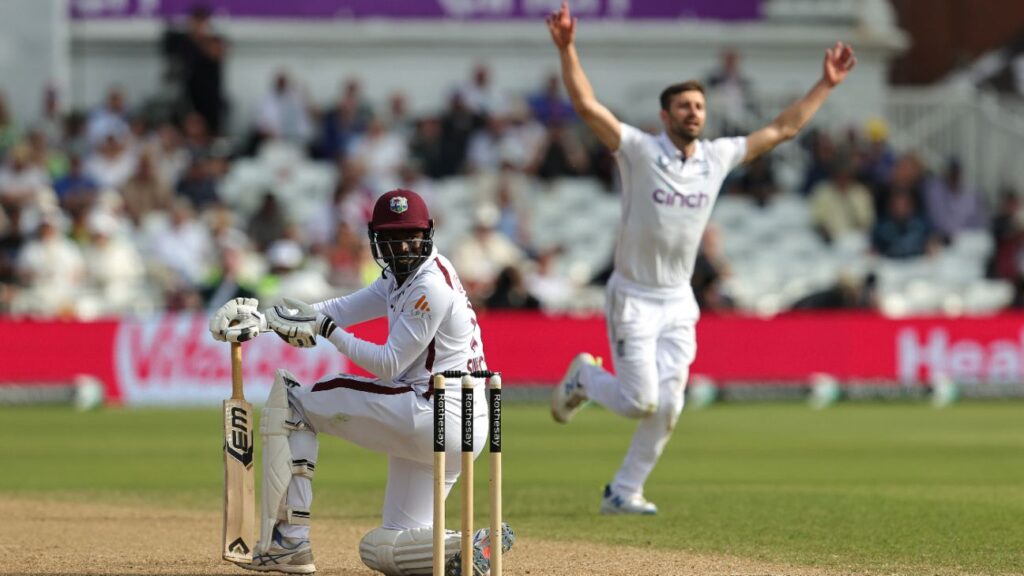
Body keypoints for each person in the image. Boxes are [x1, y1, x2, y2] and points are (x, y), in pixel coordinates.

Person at [545, 1, 856, 515]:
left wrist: (825, 85)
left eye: (699, 106)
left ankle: (624, 491)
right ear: (666, 116)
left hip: (677, 300)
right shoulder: (640, 150)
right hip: (634, 297)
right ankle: (583, 378)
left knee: (670, 406)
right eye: (684, 106)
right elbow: (586, 106)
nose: (694, 112)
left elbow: (782, 130)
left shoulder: (717, 157)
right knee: (641, 401)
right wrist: (568, 47)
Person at [209, 189, 513, 576]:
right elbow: (336, 308)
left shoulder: (429, 287)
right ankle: (469, 547)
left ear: (428, 234)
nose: (402, 247)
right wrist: (264, 321)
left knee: (295, 402)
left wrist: (326, 330)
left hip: (435, 413)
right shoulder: (400, 277)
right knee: (384, 547)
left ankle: (289, 540)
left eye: (411, 237)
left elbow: (387, 364)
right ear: (376, 239)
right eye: (390, 239)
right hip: (459, 424)